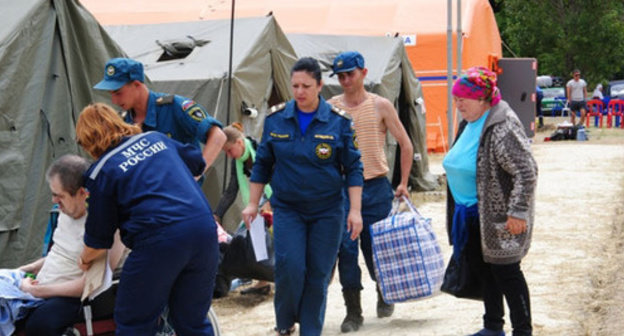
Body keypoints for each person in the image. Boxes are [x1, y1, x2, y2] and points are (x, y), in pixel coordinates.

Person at [241, 57, 364, 336]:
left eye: (306, 86)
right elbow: (262, 164)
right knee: (290, 266)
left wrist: (355, 211)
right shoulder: (276, 119)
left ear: (320, 86)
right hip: (289, 209)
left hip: (328, 211)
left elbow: (354, 168)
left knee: (318, 274)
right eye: (295, 85)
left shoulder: (338, 122)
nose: (299, 92)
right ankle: (284, 323)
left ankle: (311, 330)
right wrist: (252, 203)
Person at [75, 103, 219, 335]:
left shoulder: (101, 171)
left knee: (134, 321)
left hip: (158, 239)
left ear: (87, 139)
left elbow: (99, 239)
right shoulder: (156, 138)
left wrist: (84, 259)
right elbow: (197, 162)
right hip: (203, 228)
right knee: (192, 321)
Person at [443, 67, 537, 336]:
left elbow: (526, 171)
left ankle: (522, 331)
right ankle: (493, 326)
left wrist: (518, 212)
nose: (458, 104)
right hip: (471, 214)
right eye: (456, 98)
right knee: (486, 271)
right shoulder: (470, 122)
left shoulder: (502, 125)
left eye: (463, 99)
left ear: (483, 99)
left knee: (507, 273)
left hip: (499, 217)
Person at [327, 51, 413, 332]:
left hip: (375, 187)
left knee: (376, 248)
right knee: (346, 250)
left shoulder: (381, 106)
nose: (345, 80)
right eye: (340, 76)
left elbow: (406, 143)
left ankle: (383, 290)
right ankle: (353, 312)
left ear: (363, 73)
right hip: (341, 190)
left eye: (350, 74)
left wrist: (403, 182)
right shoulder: (330, 108)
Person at [13, 154, 126, 336]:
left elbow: (90, 284)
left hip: (77, 297)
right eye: (53, 194)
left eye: (60, 196)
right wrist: (26, 269)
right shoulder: (67, 211)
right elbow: (61, 253)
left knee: (38, 323)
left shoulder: (104, 224)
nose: (54, 201)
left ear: (83, 193)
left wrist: (36, 290)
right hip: (42, 283)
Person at [93, 57, 226, 179]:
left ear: (137, 84)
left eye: (118, 93)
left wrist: (194, 177)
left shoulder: (174, 107)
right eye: (111, 94)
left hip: (180, 198)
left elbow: (218, 136)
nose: (114, 101)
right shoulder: (122, 122)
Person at [214, 122, 273, 295]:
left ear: (240, 143)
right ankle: (263, 281)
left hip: (276, 196)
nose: (229, 155)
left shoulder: (261, 150)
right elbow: (232, 190)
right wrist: (218, 214)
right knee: (256, 238)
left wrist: (270, 201)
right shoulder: (238, 161)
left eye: (229, 150)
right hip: (258, 201)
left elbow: (277, 177)